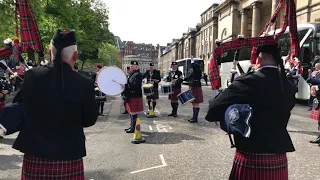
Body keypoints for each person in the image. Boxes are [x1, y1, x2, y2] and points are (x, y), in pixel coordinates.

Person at [12, 29, 99, 179]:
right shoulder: (85, 83)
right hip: (69, 155)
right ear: (76, 55)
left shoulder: (32, 76)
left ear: (49, 52)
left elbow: (20, 107)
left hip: (35, 155)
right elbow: (89, 120)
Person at [206, 44, 296, 179]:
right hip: (279, 154)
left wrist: (229, 118)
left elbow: (213, 109)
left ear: (257, 59)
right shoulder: (288, 85)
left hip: (251, 154)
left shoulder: (248, 81)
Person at [122, 61, 143, 133]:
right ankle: (132, 126)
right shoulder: (131, 74)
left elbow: (136, 86)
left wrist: (126, 86)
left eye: (133, 65)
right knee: (131, 112)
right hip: (130, 96)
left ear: (137, 67)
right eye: (131, 65)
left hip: (134, 95)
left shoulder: (138, 75)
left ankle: (134, 128)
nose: (131, 66)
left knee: (133, 113)